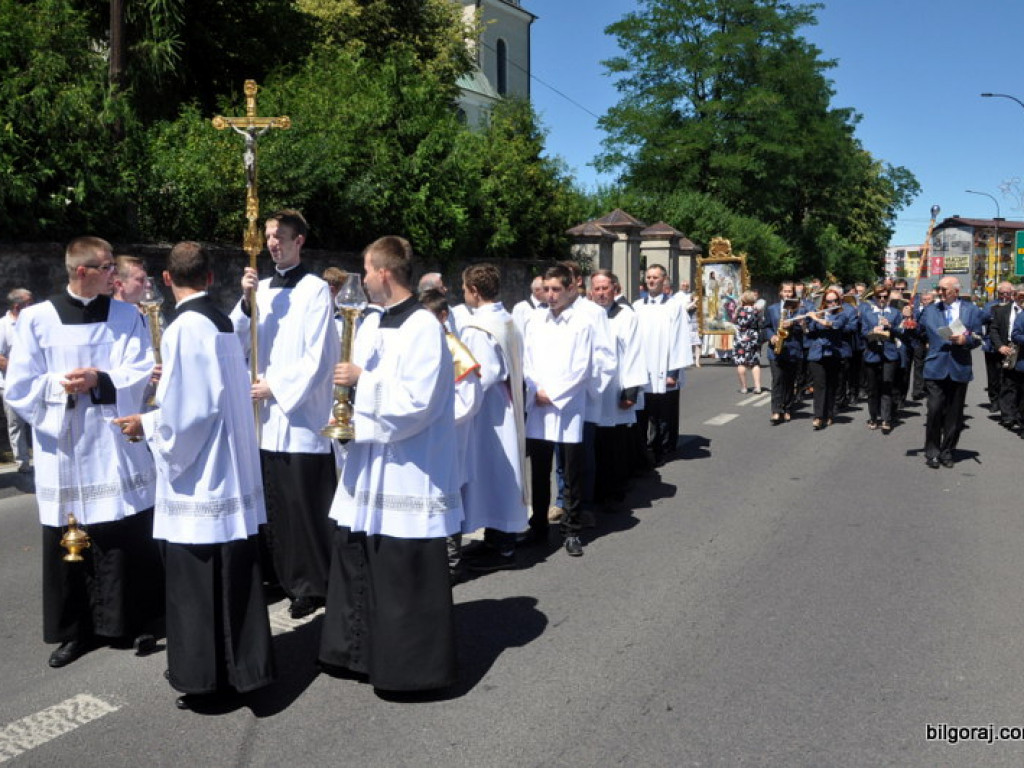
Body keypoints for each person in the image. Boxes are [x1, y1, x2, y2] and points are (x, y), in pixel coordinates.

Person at [114, 242, 274, 711]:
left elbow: (191, 413)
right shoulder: (222, 322)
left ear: (167, 280)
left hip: (201, 479)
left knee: (199, 581)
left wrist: (147, 424)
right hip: (227, 470)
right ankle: (243, 670)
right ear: (210, 277)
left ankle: (207, 680)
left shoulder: (185, 327)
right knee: (232, 576)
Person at [6, 236, 159, 668]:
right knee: (71, 538)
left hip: (112, 440)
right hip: (66, 443)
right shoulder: (37, 320)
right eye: (107, 267)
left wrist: (100, 379)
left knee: (123, 531)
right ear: (81, 271)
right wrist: (60, 387)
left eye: (114, 268)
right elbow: (19, 386)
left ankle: (133, 621)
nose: (115, 274)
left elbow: (142, 368)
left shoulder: (128, 315)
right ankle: (75, 631)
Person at [318, 236, 462, 693]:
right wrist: (344, 403)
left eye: (365, 270)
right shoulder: (370, 323)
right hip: (370, 462)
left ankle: (409, 670)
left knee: (402, 569)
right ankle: (355, 653)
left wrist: (365, 381)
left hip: (409, 469)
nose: (361, 279)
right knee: (360, 553)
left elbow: (419, 401)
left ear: (383, 272)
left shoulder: (423, 326)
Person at [230, 209, 340, 620]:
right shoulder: (261, 289)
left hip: (299, 417)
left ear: (300, 241)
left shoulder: (315, 291)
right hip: (264, 418)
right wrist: (245, 302)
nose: (272, 242)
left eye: (280, 236)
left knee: (301, 504)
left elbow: (319, 355)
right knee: (272, 501)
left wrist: (276, 386)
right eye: (269, 236)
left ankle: (312, 583)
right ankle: (282, 575)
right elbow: (234, 340)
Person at [456, 264, 529, 571]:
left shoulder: (478, 328)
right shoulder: (507, 318)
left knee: (490, 473)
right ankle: (497, 537)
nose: (463, 293)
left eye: (464, 288)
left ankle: (502, 545)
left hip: (487, 410)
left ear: (474, 291)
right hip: (504, 401)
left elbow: (481, 376)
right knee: (502, 472)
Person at [522, 264, 594, 557]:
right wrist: (535, 389)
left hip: (567, 405)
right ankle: (538, 524)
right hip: (539, 402)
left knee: (571, 470)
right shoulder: (535, 321)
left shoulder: (581, 323)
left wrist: (554, 393)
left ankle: (572, 528)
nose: (550, 296)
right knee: (539, 470)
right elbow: (526, 358)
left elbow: (582, 368)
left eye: (556, 290)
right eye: (547, 289)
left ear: (569, 290)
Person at [590, 270, 647, 511]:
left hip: (615, 390)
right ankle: (595, 490)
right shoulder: (586, 316)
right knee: (593, 442)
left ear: (615, 289)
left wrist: (630, 391)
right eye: (597, 289)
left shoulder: (627, 317)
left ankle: (615, 491)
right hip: (592, 391)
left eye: (605, 288)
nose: (601, 293)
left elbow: (634, 354)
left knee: (614, 442)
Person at [918, 276, 985, 468]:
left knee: (954, 415)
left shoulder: (971, 310)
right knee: (934, 409)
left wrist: (967, 341)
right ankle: (932, 451)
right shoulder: (930, 310)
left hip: (959, 366)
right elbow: (918, 334)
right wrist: (908, 323)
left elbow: (979, 336)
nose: (939, 293)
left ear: (955, 291)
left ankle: (947, 450)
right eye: (938, 289)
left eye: (943, 289)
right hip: (935, 366)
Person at [633, 264, 689, 464]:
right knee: (643, 410)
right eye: (648, 277)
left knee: (663, 412)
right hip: (643, 368)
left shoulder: (674, 307)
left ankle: (663, 448)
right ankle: (643, 450)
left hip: (665, 368)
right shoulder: (638, 306)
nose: (651, 280)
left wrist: (673, 372)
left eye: (655, 277)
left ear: (663, 280)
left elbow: (680, 340)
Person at [860, 283, 904, 434]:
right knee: (872, 389)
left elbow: (901, 331)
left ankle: (886, 418)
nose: (882, 299)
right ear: (874, 297)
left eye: (885, 297)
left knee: (887, 386)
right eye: (879, 297)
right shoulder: (867, 313)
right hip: (872, 353)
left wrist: (890, 326)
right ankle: (873, 417)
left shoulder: (895, 313)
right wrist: (872, 331)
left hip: (889, 354)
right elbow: (863, 332)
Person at [805, 287, 851, 430]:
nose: (832, 304)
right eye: (829, 301)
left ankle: (829, 414)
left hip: (833, 353)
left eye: (835, 301)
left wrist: (816, 318)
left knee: (831, 385)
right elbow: (810, 331)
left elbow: (834, 326)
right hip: (817, 353)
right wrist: (804, 323)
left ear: (839, 301)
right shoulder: (819, 313)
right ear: (824, 301)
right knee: (819, 385)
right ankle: (818, 416)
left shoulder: (841, 314)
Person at [0, 288, 33, 472]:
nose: (33, 305)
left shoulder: (33, 323)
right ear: (16, 306)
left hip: (35, 382)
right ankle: (23, 463)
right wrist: (21, 369)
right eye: (29, 302)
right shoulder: (3, 326)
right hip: (10, 384)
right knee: (16, 424)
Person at [762, 281, 803, 424]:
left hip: (792, 349)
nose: (787, 294)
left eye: (790, 292)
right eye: (785, 291)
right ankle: (776, 410)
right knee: (777, 379)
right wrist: (771, 336)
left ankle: (787, 408)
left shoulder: (798, 310)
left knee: (789, 381)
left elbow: (803, 331)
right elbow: (766, 326)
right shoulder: (772, 309)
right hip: (776, 350)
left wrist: (794, 324)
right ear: (780, 293)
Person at [989, 283, 1024, 430]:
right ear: (1014, 295)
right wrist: (1000, 346)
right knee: (1008, 382)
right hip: (1008, 347)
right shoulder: (1002, 310)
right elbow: (994, 329)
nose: (1022, 299)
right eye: (1020, 295)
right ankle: (1008, 416)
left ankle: (1019, 414)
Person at [732, 290, 762, 394]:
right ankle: (757, 387)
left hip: (740, 336)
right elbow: (760, 322)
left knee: (741, 363)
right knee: (755, 363)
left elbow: (733, 320)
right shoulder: (756, 310)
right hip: (753, 336)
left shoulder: (739, 310)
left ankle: (744, 388)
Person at [511, 275, 546, 341]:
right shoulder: (521, 308)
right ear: (537, 290)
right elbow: (517, 336)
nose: (549, 292)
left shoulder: (551, 307)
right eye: (546, 289)